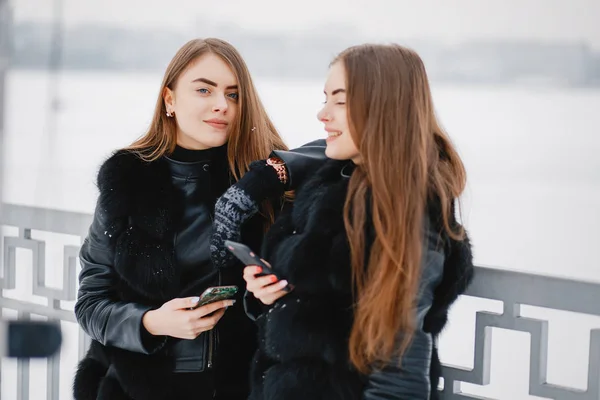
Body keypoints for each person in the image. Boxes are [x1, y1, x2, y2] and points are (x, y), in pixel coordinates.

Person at [211, 43, 475, 399]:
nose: (323, 114)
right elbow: (326, 310)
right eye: (325, 98)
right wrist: (266, 295)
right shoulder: (334, 185)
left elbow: (398, 382)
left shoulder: (402, 213)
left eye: (340, 100)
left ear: (384, 108)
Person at [72, 38, 325, 400]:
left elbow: (341, 155)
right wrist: (151, 322)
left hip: (242, 387)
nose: (221, 105)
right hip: (134, 389)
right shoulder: (127, 182)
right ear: (170, 99)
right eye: (204, 90)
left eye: (233, 95)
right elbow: (91, 303)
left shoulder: (260, 181)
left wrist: (266, 177)